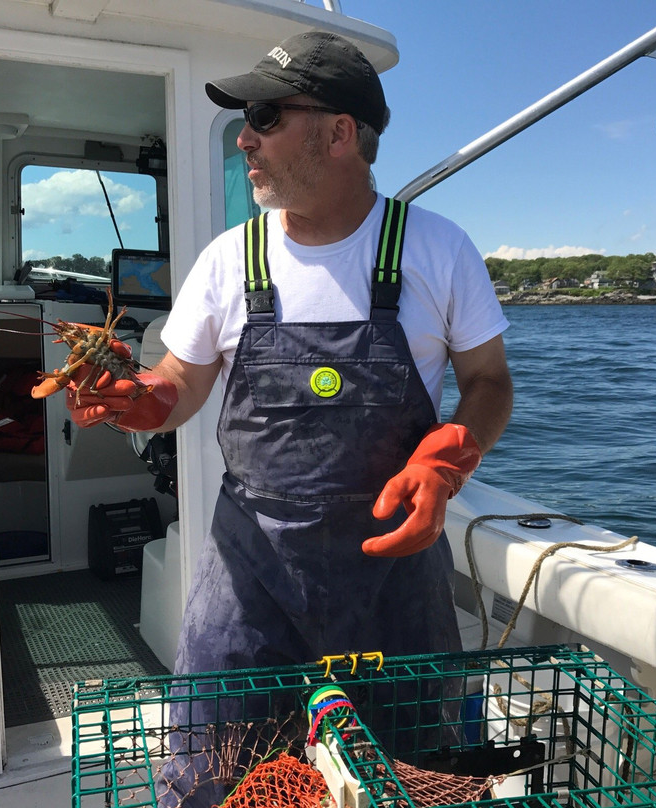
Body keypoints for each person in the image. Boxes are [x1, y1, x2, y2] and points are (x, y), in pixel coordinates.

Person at [67, 25, 511, 749]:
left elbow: (489, 382)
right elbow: (176, 382)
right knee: (217, 767)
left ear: (339, 134)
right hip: (251, 573)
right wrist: (131, 399)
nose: (246, 138)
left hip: (394, 577)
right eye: (247, 120)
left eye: (266, 118)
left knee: (406, 768)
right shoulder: (227, 259)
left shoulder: (437, 249)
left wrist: (450, 456)